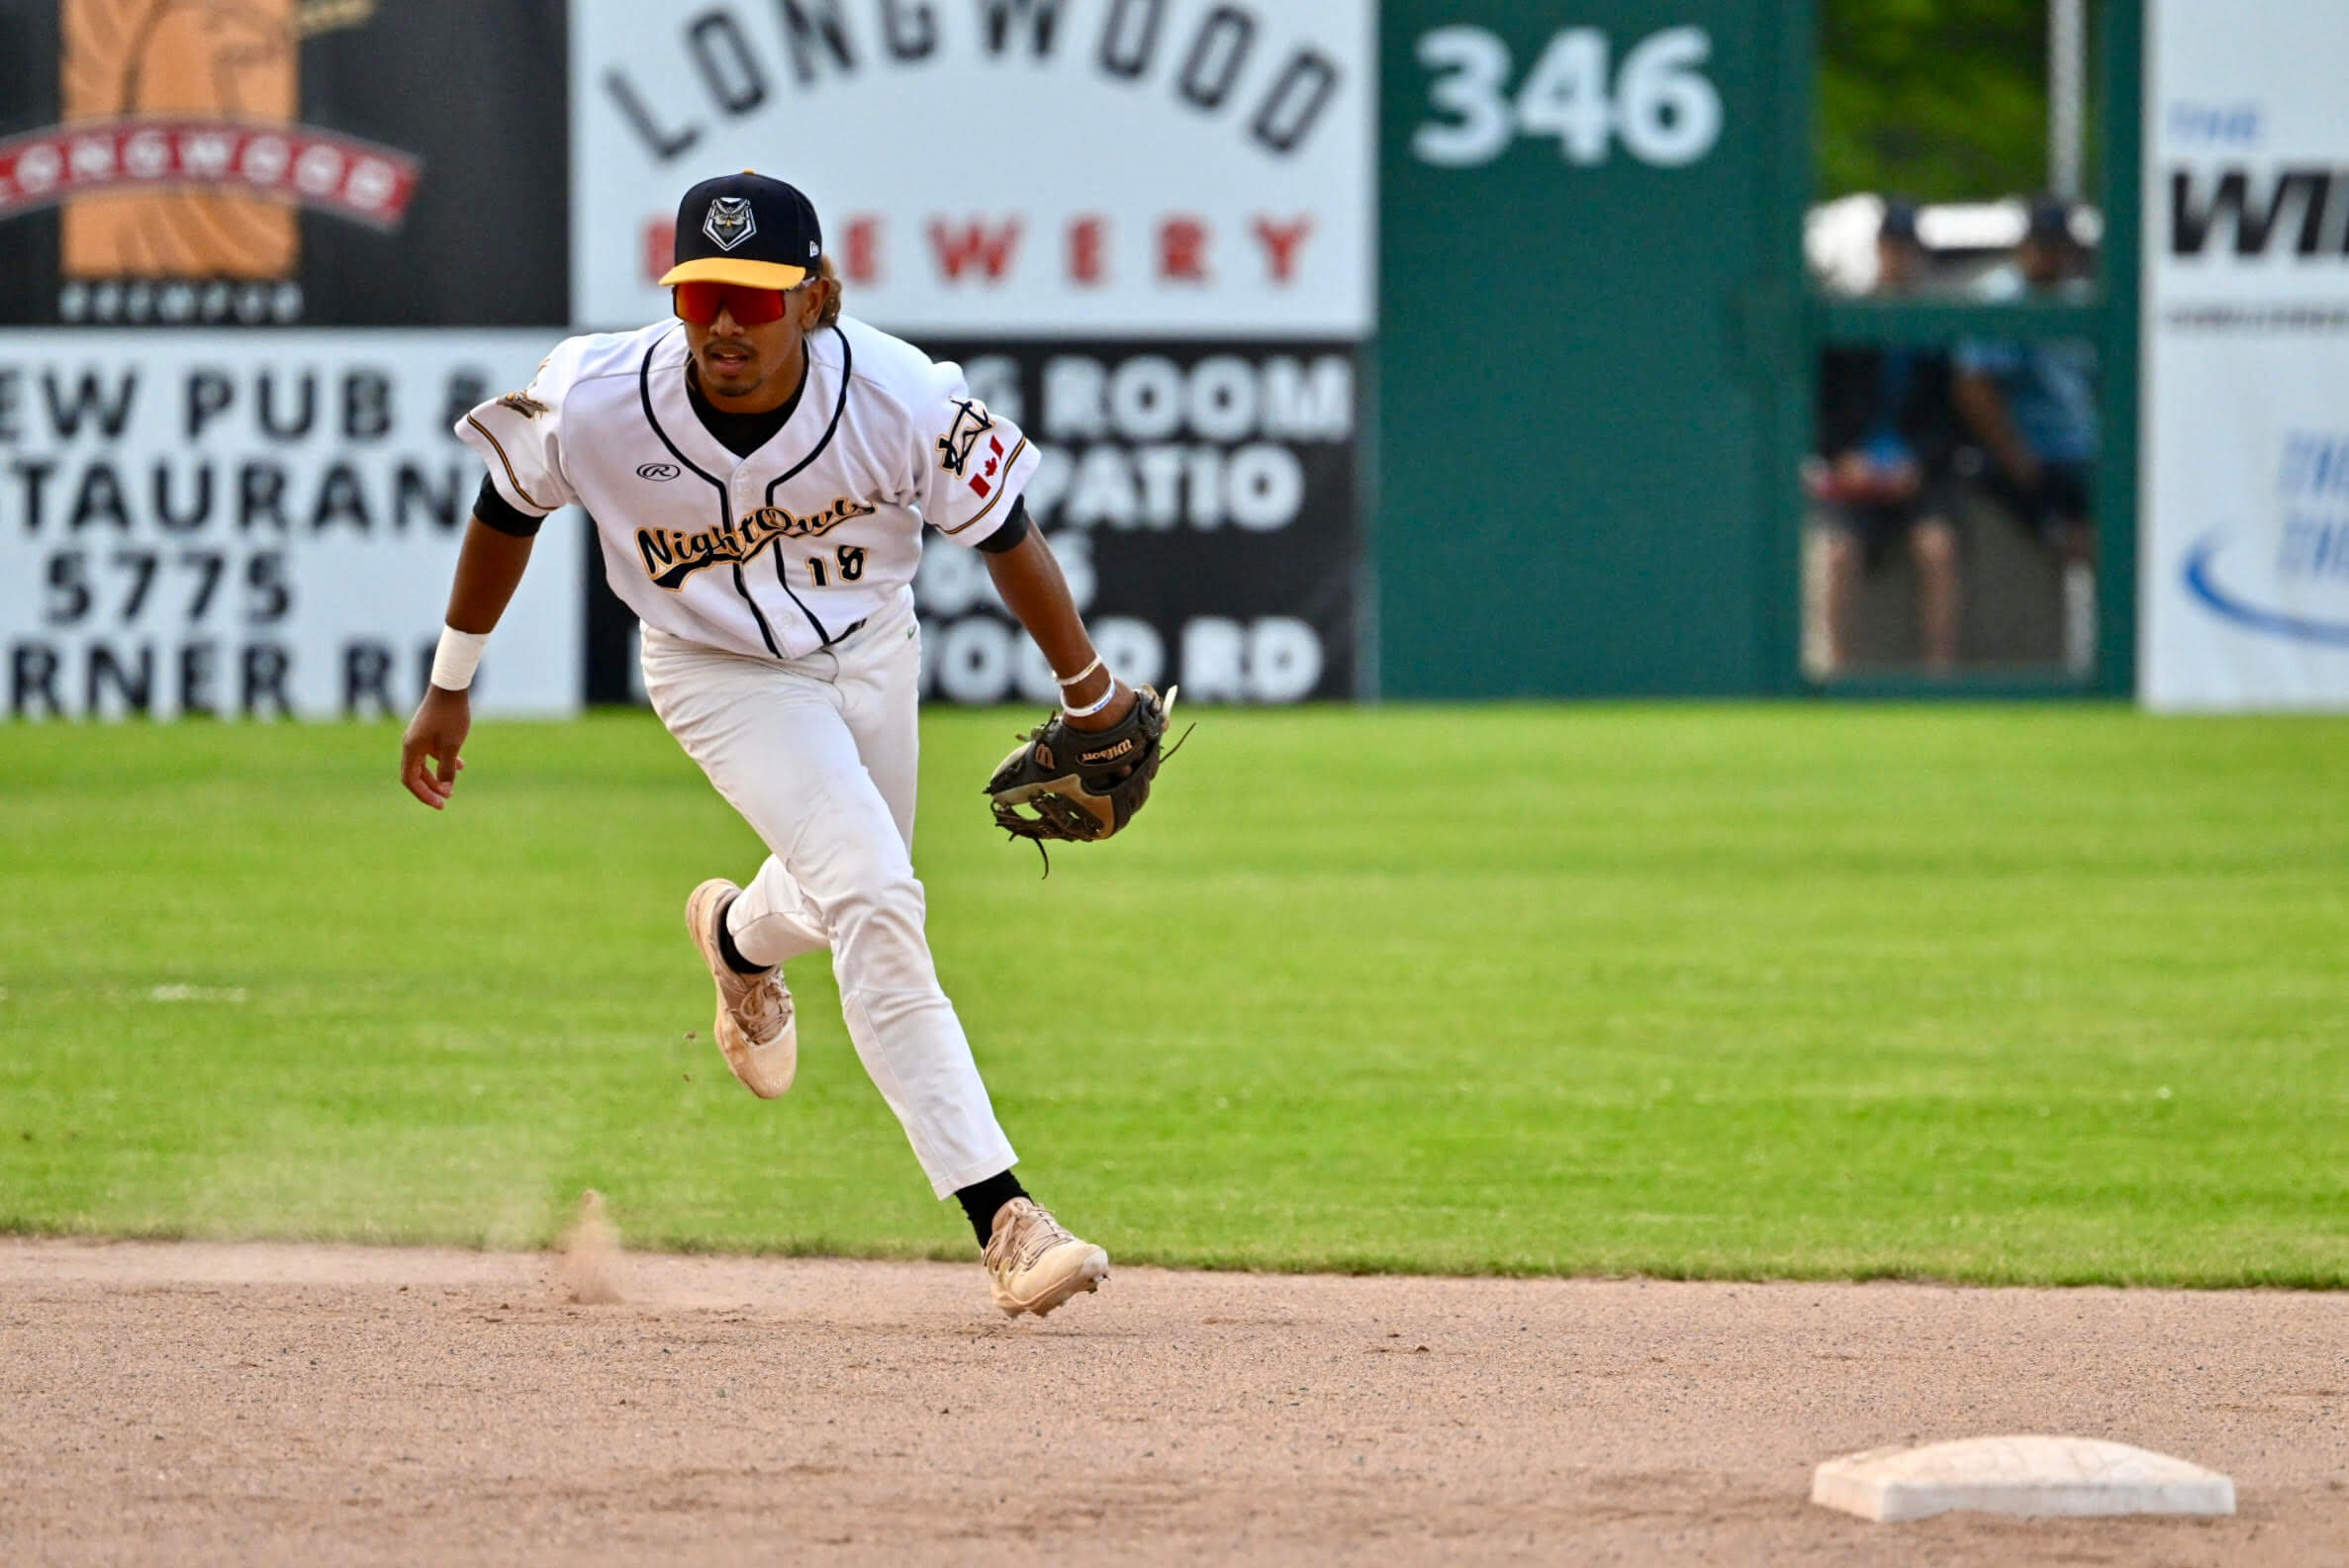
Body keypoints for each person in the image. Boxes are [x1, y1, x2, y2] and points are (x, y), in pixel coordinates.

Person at [399, 171, 1122, 1319]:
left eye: (752, 295)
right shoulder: (596, 394)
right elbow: (505, 506)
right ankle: (1004, 1215)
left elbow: (1006, 533)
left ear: (817, 296)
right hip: (715, 669)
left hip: (872, 649)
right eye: (700, 296)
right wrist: (450, 684)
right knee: (880, 894)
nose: (724, 324)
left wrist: (1087, 687)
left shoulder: (899, 396)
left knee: (846, 891)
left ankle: (737, 937)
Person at [1811, 200, 1963, 672]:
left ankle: (1940, 672)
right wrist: (1843, 458)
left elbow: (1952, 415)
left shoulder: (1937, 326)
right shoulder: (1850, 320)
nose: (1899, 259)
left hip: (1917, 475)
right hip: (1855, 473)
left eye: (1908, 249)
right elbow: (1821, 407)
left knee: (1937, 546)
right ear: (1879, 251)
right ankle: (1835, 670)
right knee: (1835, 551)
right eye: (1891, 248)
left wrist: (1918, 464)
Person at [1952, 195, 2100, 569]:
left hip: (2085, 450)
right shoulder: (2002, 298)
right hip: (2031, 459)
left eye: (2055, 247)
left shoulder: (2080, 297)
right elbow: (1975, 387)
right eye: (2039, 246)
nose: (2045, 257)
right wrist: (2017, 459)